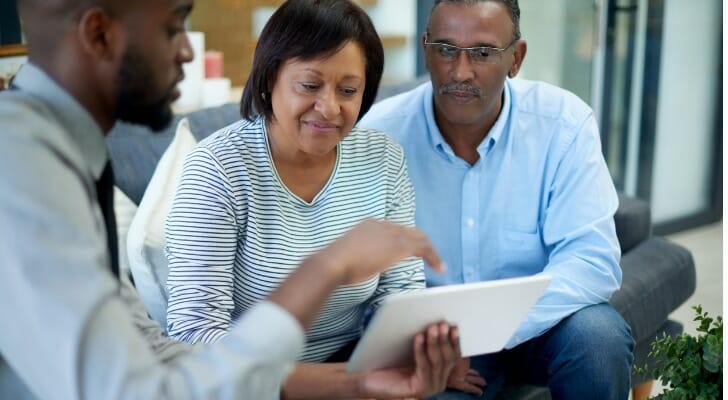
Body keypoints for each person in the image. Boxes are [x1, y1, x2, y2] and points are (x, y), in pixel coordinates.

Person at [0, 0, 460, 399]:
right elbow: (142, 387)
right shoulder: (23, 168)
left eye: (348, 90)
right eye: (173, 28)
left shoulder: (67, 158)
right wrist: (328, 267)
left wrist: (361, 382)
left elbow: (159, 359)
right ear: (99, 34)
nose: (187, 52)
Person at [163, 0, 454, 397]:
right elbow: (195, 334)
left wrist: (420, 352)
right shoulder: (218, 169)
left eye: (348, 90)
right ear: (270, 78)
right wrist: (346, 386)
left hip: (355, 363)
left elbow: (399, 291)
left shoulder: (382, 158)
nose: (329, 108)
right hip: (250, 382)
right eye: (310, 86)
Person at [359, 0, 635, 399]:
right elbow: (367, 279)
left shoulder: (563, 124)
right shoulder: (379, 136)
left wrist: (490, 331)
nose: (460, 72)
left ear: (515, 59)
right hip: (434, 344)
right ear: (426, 50)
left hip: (539, 325)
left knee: (598, 339)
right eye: (446, 49)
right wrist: (428, 348)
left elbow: (592, 261)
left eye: (483, 53)